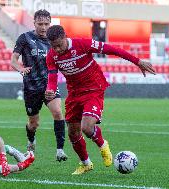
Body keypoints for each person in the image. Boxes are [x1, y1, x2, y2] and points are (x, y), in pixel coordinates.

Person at [45, 25, 156, 175]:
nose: (57, 49)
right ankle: (86, 164)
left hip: (93, 89)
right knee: (73, 133)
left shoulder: (82, 44)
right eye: (54, 46)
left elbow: (112, 49)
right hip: (74, 93)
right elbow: (52, 77)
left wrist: (137, 61)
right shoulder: (51, 55)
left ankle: (103, 145)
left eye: (59, 45)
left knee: (87, 127)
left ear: (65, 37)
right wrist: (50, 90)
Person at [10, 9, 67, 162]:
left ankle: (60, 150)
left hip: (50, 85)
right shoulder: (25, 38)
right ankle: (31, 140)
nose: (43, 27)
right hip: (31, 87)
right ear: (34, 23)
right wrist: (20, 68)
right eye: (40, 24)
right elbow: (13, 60)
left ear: (50, 24)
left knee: (57, 112)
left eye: (46, 24)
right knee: (34, 123)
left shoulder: (54, 40)